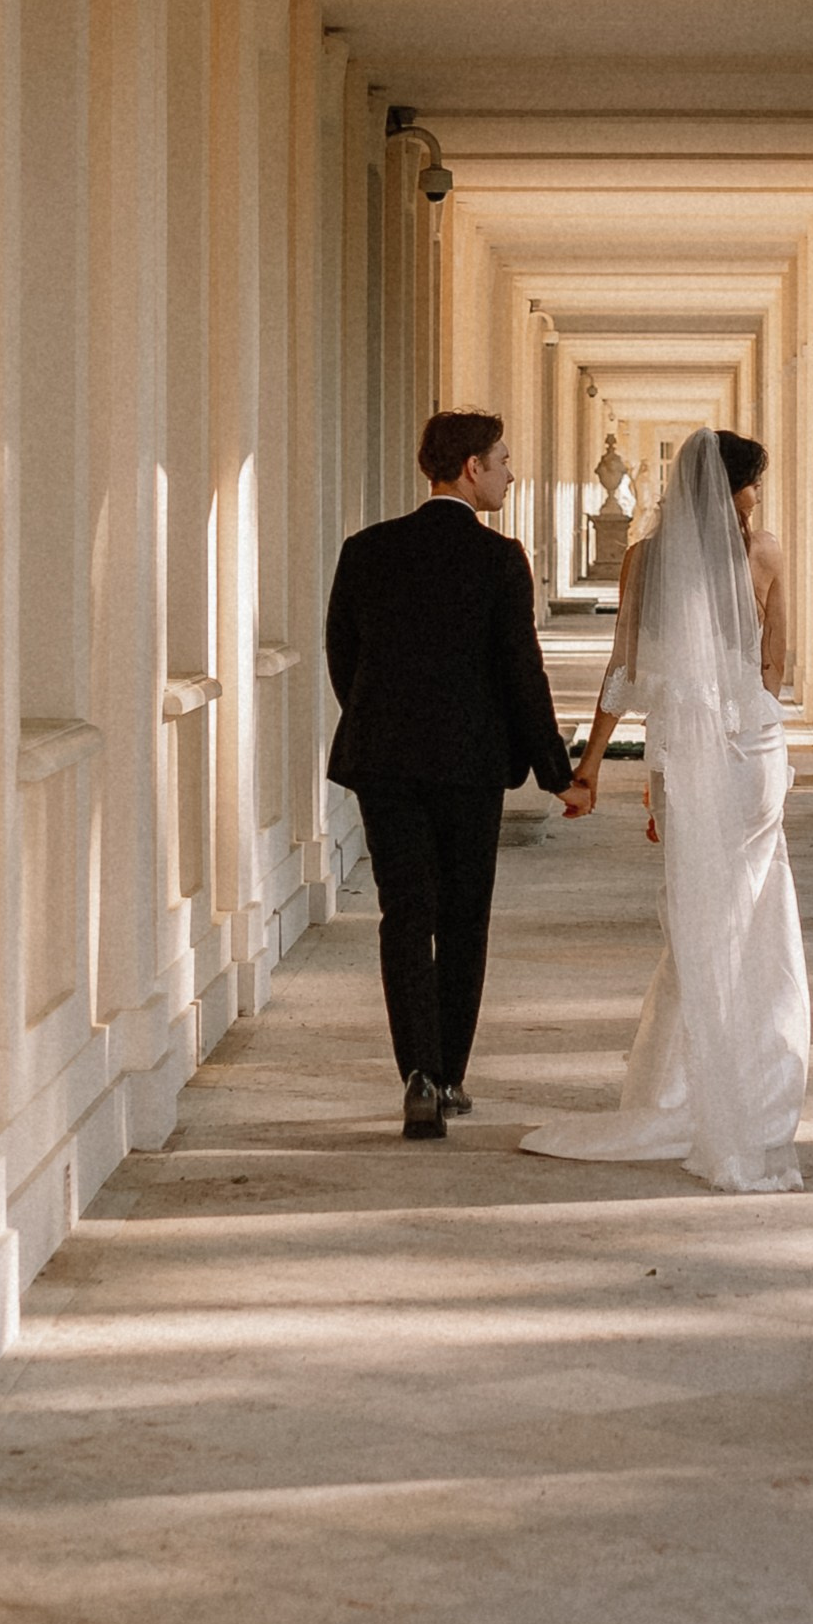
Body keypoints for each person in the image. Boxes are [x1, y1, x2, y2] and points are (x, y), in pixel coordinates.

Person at [521, 429, 809, 1194]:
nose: (754, 500)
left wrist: (591, 766)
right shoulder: (766, 552)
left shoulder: (647, 557)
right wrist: (743, 715)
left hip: (686, 754)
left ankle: (683, 1090)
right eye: (752, 486)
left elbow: (624, 670)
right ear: (736, 490)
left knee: (696, 916)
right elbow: (774, 666)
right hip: (752, 749)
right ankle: (748, 1084)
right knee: (750, 910)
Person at [324, 409, 572, 1139]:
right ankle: (451, 1075)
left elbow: (346, 660)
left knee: (403, 915)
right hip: (468, 764)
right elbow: (520, 674)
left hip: (385, 760)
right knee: (462, 918)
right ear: (470, 469)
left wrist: (384, 722)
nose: (508, 472)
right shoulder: (499, 560)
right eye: (500, 460)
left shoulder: (365, 549)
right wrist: (559, 774)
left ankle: (418, 1076)